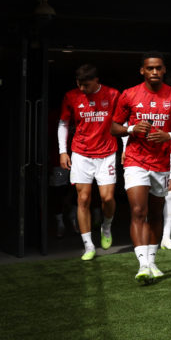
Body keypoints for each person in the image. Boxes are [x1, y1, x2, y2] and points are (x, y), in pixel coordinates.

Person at [111, 52, 171, 284]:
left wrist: (168, 135)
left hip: (162, 162)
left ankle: (152, 260)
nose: (154, 72)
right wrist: (131, 129)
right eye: (150, 68)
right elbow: (114, 127)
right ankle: (143, 264)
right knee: (139, 211)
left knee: (156, 213)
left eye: (158, 68)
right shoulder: (129, 94)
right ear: (142, 71)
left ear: (164, 70)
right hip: (136, 160)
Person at [58, 64, 120, 261]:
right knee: (83, 199)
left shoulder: (112, 94)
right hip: (81, 154)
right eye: (80, 85)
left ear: (96, 80)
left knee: (107, 198)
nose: (83, 89)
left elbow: (122, 123)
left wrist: (126, 149)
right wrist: (63, 151)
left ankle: (106, 227)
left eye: (87, 85)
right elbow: (63, 123)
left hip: (107, 152)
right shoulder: (71, 96)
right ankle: (88, 245)